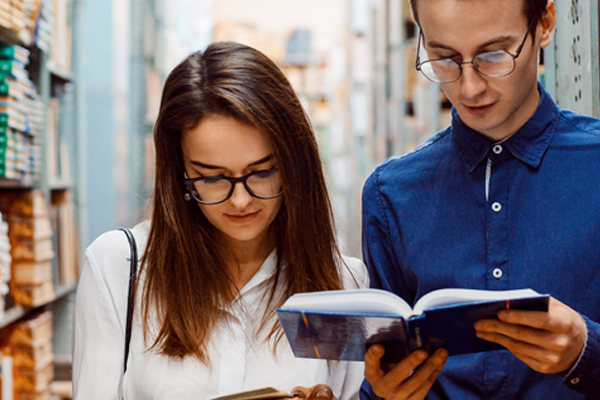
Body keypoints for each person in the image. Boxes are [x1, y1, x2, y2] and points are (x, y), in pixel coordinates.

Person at [72, 41, 368, 400]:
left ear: (293, 165)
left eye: (261, 172)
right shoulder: (119, 268)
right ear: (179, 173)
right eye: (212, 178)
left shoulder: (342, 286)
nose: (240, 200)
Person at [360, 0, 600, 399]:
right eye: (445, 58)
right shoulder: (391, 195)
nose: (469, 87)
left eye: (493, 55)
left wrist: (585, 351)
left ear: (545, 23)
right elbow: (380, 374)